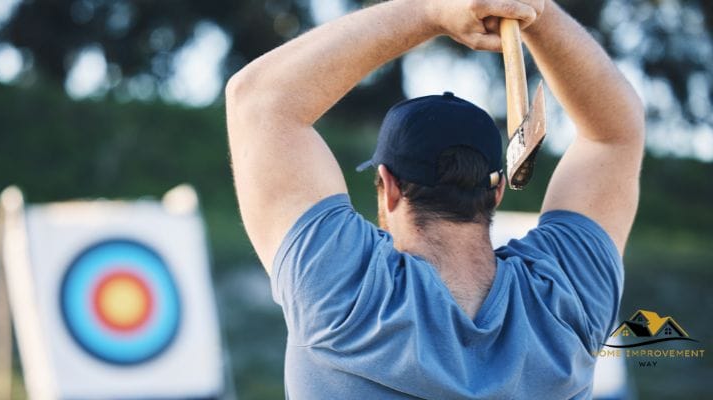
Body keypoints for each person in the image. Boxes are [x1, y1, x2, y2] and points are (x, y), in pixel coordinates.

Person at [225, 0, 644, 398]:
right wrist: (539, 11)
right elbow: (615, 133)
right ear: (495, 191)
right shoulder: (568, 296)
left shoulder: (346, 289)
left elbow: (259, 101)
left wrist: (432, 11)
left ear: (388, 186)